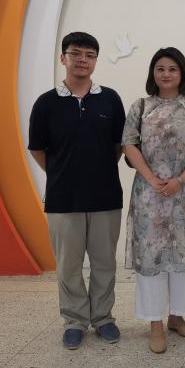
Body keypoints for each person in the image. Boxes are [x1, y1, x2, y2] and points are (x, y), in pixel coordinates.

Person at [28, 31, 126, 350]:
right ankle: (74, 320)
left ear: (95, 61)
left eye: (89, 55)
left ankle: (103, 318)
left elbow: (118, 146)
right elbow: (37, 148)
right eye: (76, 53)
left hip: (105, 196)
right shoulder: (46, 103)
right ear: (63, 58)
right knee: (68, 265)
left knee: (104, 263)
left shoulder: (110, 99)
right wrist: (60, 173)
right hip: (63, 198)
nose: (83, 60)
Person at [121, 47, 185, 353]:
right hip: (150, 194)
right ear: (153, 73)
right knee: (152, 257)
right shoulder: (141, 106)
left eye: (172, 68)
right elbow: (129, 144)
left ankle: (177, 316)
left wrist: (181, 180)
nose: (166, 74)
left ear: (182, 72)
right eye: (160, 68)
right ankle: (155, 324)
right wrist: (151, 178)